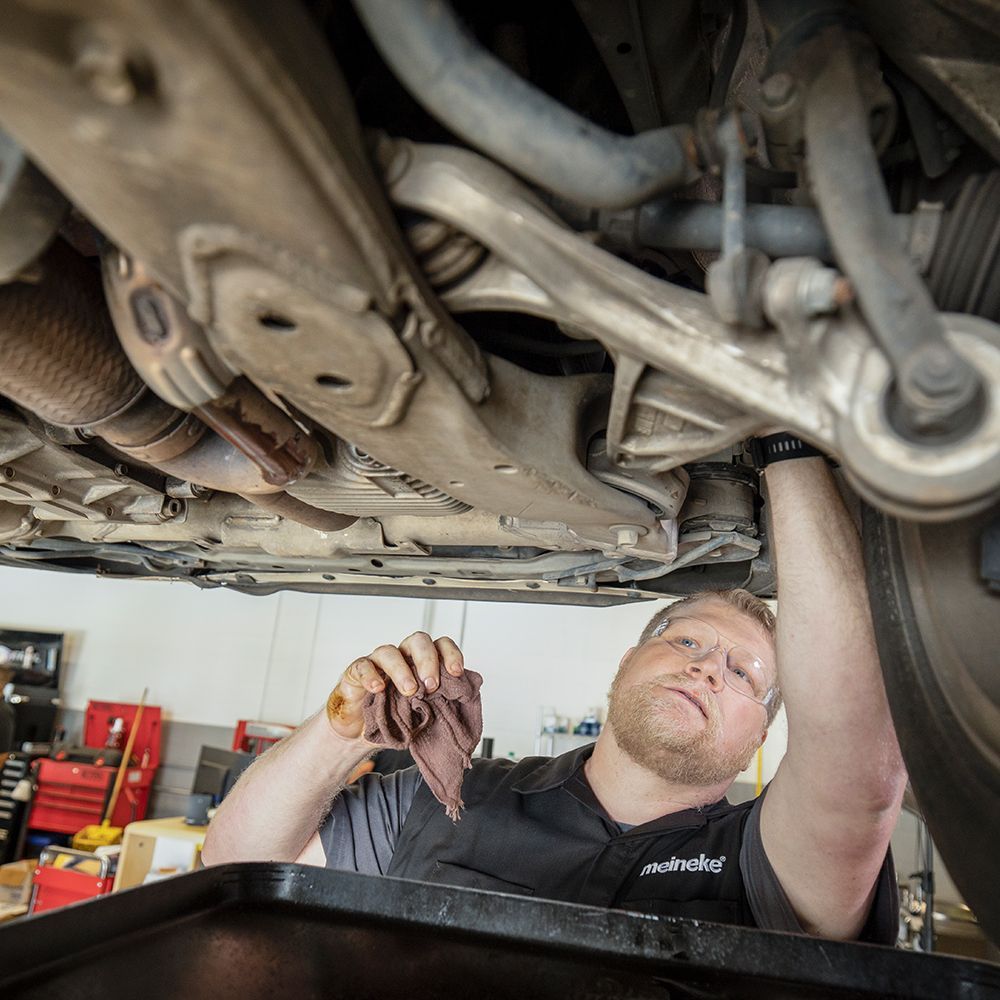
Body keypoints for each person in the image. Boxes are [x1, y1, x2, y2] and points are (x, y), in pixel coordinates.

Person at [202, 448, 907, 942]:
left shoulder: (767, 863)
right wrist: (343, 732)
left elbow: (857, 764)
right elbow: (235, 865)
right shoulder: (443, 795)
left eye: (745, 673)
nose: (707, 669)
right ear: (628, 663)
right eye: (687, 641)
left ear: (763, 734)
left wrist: (791, 444)